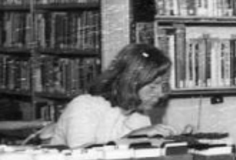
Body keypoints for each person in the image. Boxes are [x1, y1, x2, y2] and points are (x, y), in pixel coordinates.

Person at [40, 43, 177, 148]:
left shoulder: (140, 115)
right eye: (153, 86)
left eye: (163, 86)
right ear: (130, 82)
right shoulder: (84, 106)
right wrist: (131, 138)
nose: (160, 94)